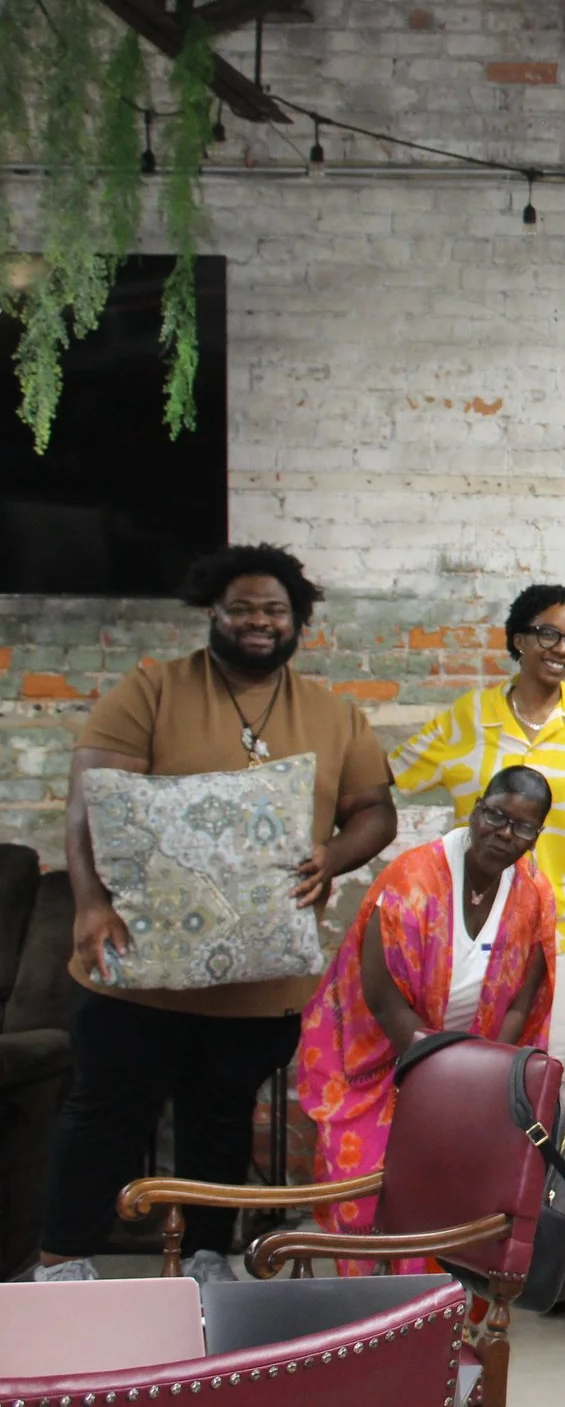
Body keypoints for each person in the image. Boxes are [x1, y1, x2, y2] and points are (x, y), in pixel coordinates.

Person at [40, 544, 396, 1284]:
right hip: (137, 967)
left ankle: (206, 1256)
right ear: (214, 612)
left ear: (298, 620)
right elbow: (89, 805)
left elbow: (375, 811)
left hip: (259, 981)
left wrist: (331, 856)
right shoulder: (151, 690)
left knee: (223, 1118)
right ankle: (62, 1260)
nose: (259, 622)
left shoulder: (334, 715)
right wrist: (91, 905)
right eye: (242, 608)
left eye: (275, 610)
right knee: (106, 1115)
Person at [391, 582, 565, 1116]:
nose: (561, 649)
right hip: (472, 939)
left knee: (564, 1087)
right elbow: (387, 777)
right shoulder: (468, 718)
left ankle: (551, 1178)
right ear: (518, 638)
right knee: (469, 1087)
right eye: (548, 633)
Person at [296, 768, 560, 1262]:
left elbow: (521, 1004)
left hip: (471, 1069)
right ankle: (370, 1307)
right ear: (477, 809)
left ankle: (441, 1303)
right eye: (495, 816)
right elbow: (382, 999)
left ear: (537, 834)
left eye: (522, 827)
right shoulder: (412, 879)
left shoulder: (534, 894)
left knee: (459, 1198)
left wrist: (481, 1083)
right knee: (367, 1195)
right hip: (380, 1059)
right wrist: (439, 1084)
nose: (505, 834)